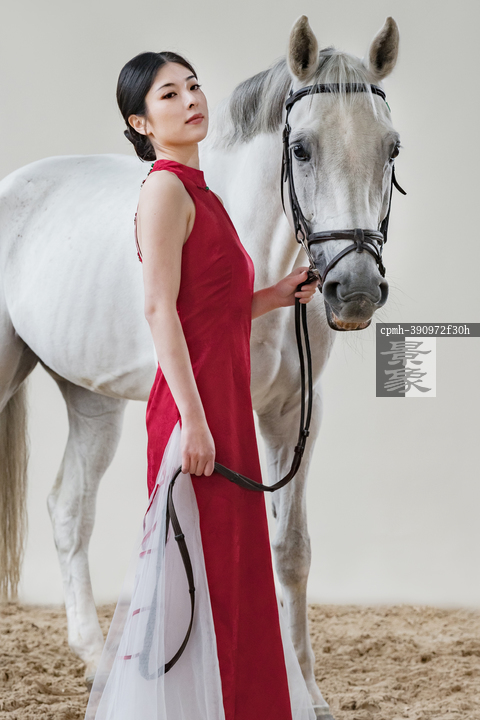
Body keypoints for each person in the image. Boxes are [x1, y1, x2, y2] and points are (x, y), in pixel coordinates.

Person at [85, 51, 319, 720]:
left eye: (192, 86)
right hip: (196, 413)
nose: (191, 99)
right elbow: (159, 309)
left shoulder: (202, 193)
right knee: (199, 580)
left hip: (223, 407)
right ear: (141, 123)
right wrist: (193, 422)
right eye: (169, 94)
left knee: (233, 571)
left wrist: (276, 294)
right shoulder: (164, 191)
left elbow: (213, 309)